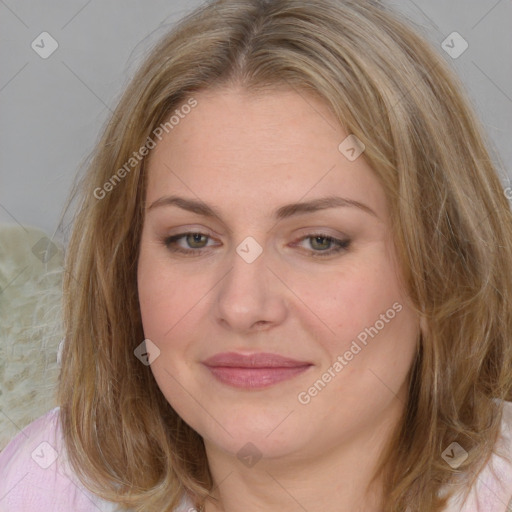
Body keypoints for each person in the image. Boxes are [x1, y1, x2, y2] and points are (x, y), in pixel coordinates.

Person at [1, 0, 512, 511]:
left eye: (319, 241)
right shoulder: (45, 485)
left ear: (445, 269)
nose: (242, 306)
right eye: (193, 239)